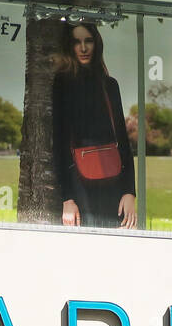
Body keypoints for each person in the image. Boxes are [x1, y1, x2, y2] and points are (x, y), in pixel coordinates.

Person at [51, 22, 136, 229]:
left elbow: (122, 141)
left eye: (88, 41)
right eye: (76, 42)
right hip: (79, 185)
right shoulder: (63, 84)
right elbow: (60, 142)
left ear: (96, 44)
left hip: (114, 184)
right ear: (69, 46)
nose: (83, 48)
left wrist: (129, 192)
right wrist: (67, 198)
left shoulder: (109, 85)